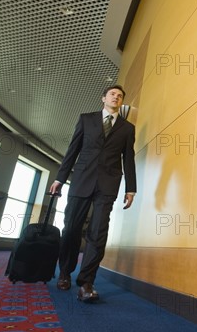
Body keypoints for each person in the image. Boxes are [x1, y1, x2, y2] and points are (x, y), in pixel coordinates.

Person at [48, 85, 136, 302]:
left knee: (98, 232)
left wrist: (131, 188)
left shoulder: (127, 128)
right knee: (71, 229)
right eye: (113, 94)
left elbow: (128, 159)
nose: (116, 97)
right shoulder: (86, 119)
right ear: (103, 98)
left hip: (107, 184)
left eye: (120, 96)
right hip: (81, 180)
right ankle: (65, 273)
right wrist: (60, 178)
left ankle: (86, 282)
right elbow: (73, 150)